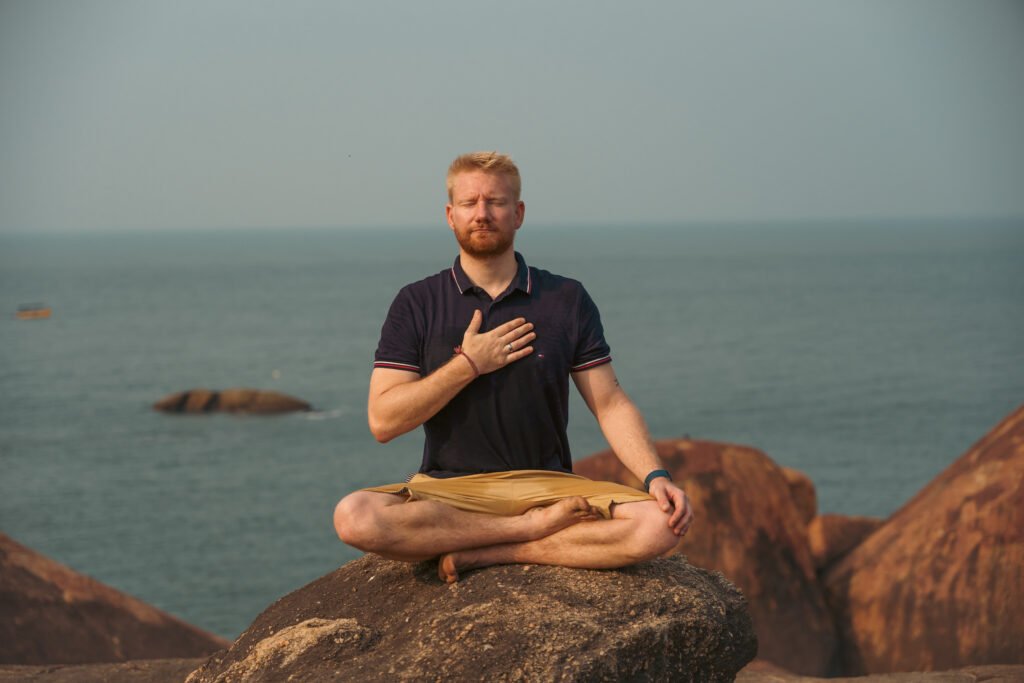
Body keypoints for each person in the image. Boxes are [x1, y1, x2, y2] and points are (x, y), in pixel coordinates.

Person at [333, 151, 694, 583]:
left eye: (496, 202)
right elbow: (383, 421)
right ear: (450, 215)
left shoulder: (565, 299)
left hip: (548, 486)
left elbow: (610, 403)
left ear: (518, 213)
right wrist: (469, 364)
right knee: (355, 516)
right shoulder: (417, 303)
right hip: (448, 490)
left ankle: (493, 552)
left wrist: (655, 476)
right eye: (469, 203)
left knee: (660, 525)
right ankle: (525, 531)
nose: (482, 214)